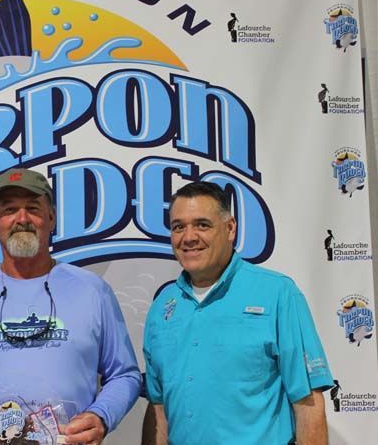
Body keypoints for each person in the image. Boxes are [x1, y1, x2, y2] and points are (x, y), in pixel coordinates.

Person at [0, 168, 141, 445]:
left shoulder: (93, 290)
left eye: (33, 208)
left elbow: (125, 375)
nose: (22, 219)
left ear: (51, 218)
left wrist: (101, 416)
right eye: (10, 209)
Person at [142, 182, 333, 445]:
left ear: (230, 228)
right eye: (178, 227)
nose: (188, 237)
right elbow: (159, 409)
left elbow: (308, 403)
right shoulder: (162, 307)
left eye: (202, 225)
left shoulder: (278, 293)